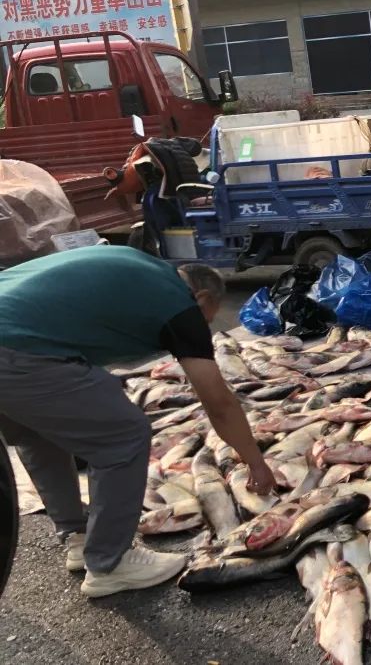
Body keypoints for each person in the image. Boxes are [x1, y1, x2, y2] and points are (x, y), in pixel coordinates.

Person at [0, 246, 276, 597]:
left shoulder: (137, 266)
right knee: (123, 435)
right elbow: (219, 402)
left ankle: (79, 535)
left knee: (38, 434)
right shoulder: (178, 303)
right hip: (18, 349)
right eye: (207, 318)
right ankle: (109, 564)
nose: (203, 328)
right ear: (201, 296)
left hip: (13, 337)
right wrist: (256, 462)